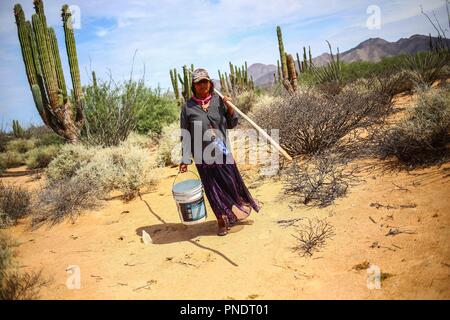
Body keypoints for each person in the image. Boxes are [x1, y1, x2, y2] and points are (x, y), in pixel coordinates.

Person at [179, 68, 261, 236]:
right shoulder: (188, 108)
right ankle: (221, 220)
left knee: (230, 184)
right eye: (198, 83)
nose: (203, 85)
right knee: (213, 189)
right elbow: (185, 135)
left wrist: (230, 109)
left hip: (223, 151)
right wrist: (185, 159)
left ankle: (236, 209)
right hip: (203, 156)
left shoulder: (218, 101)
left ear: (210, 83)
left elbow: (231, 124)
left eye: (205, 82)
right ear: (193, 86)